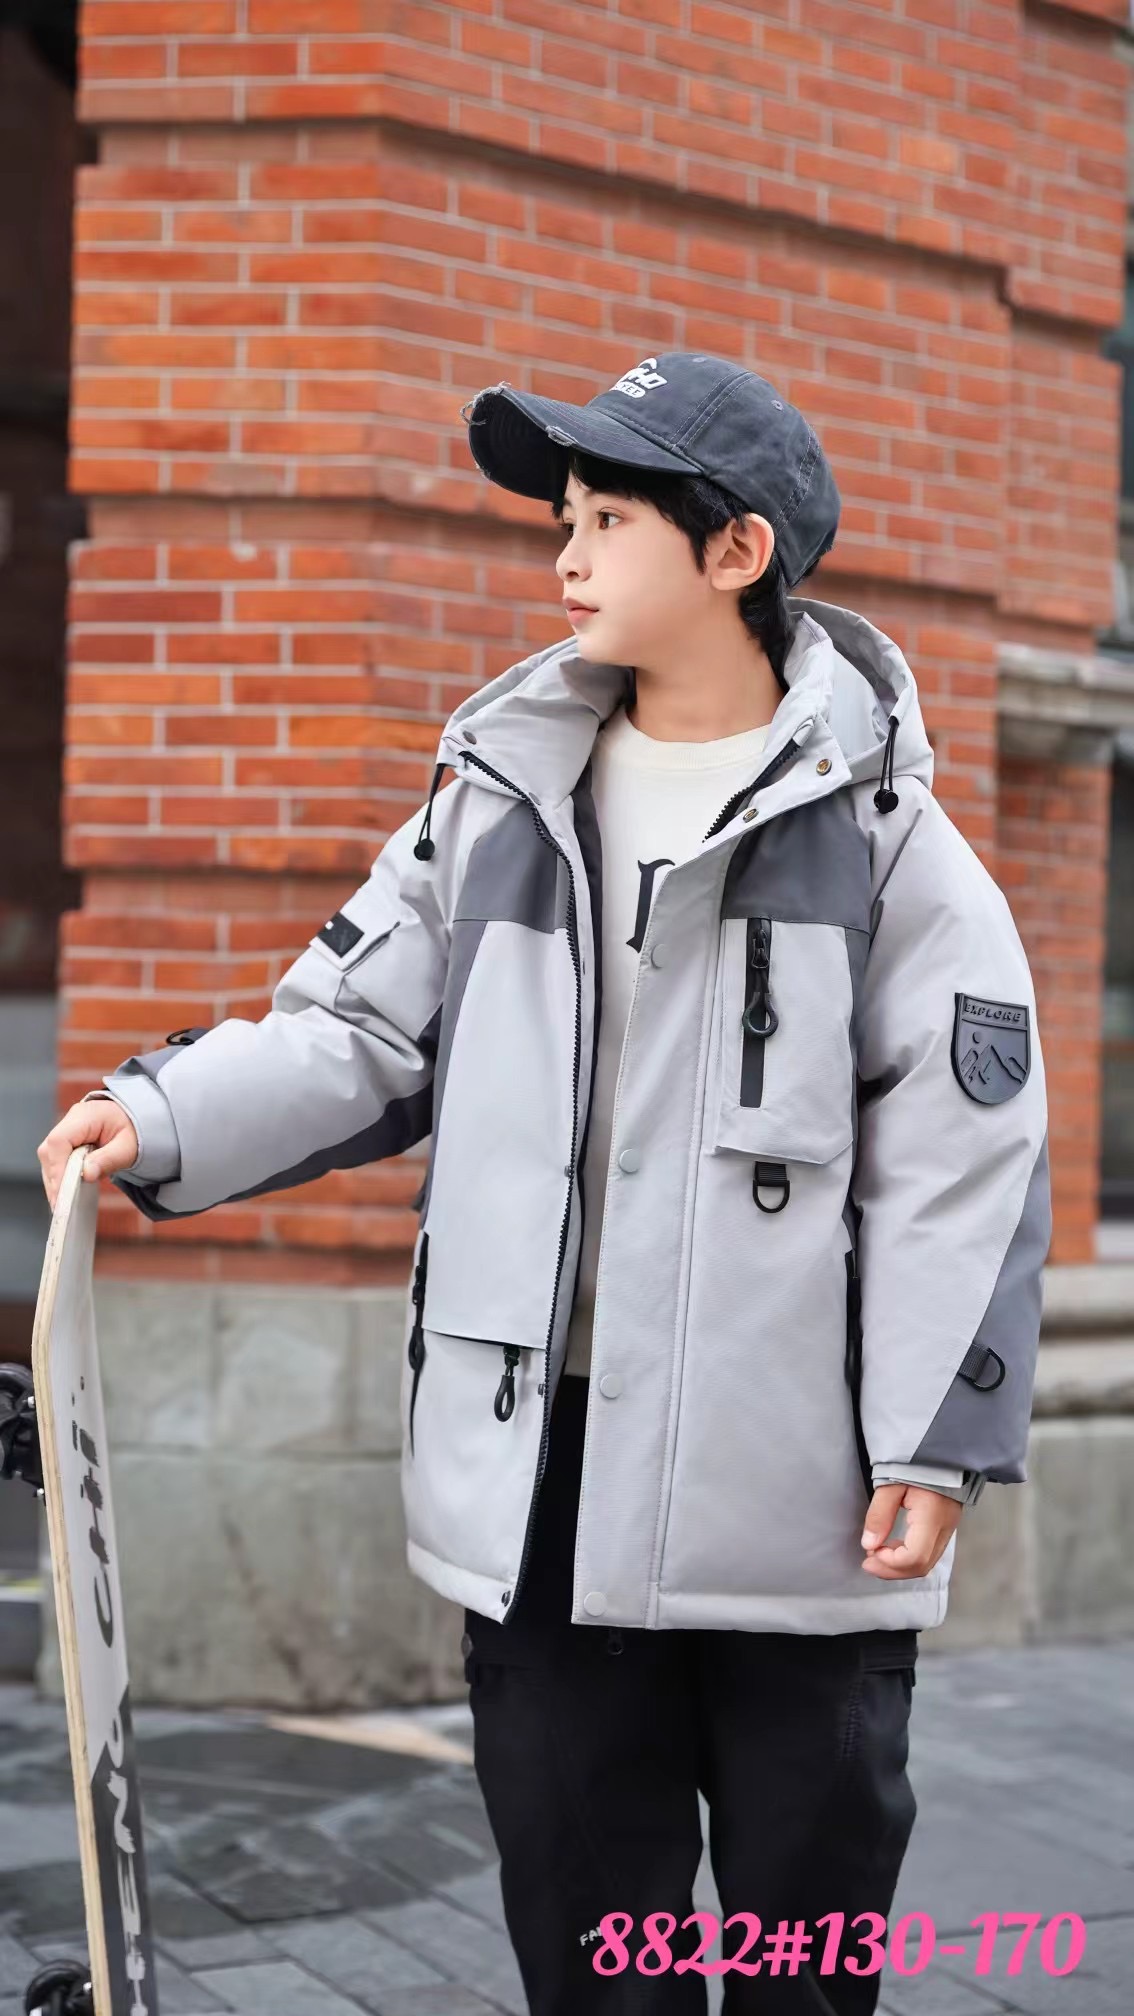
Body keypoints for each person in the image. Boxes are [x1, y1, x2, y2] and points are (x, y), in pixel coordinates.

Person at [40, 352, 1051, 2014]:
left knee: (799, 1938)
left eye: (604, 522)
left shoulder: (889, 846)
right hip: (542, 1471)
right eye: (560, 522)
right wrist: (156, 1117)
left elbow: (963, 1166)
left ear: (734, 553)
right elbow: (354, 1030)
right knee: (589, 1931)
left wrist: (932, 1442)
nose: (565, 558)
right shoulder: (496, 801)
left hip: (795, 1486)